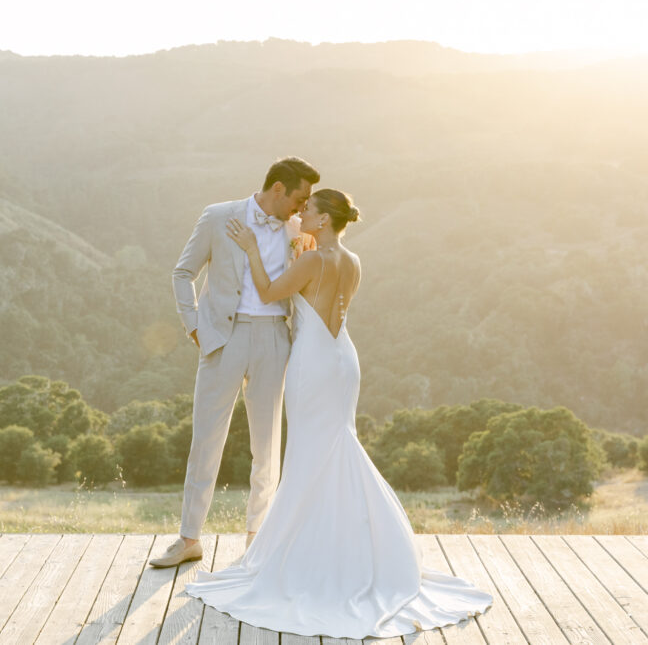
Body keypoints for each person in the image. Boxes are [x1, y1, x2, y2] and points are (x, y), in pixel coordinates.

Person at [183, 189, 494, 637]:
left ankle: (309, 555)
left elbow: (271, 294)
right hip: (343, 359)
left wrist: (253, 249)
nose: (300, 213)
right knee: (336, 447)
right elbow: (322, 298)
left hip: (312, 361)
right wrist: (296, 252)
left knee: (310, 453)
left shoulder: (312, 261)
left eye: (308, 210)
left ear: (324, 220)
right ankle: (359, 551)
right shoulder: (352, 261)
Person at [150, 157, 320, 568]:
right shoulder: (218, 216)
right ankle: (189, 539)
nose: (302, 207)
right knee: (206, 439)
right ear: (278, 188)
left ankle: (257, 540)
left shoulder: (299, 232)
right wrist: (195, 327)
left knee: (267, 447)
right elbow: (182, 272)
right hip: (222, 339)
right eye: (299, 198)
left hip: (275, 339)